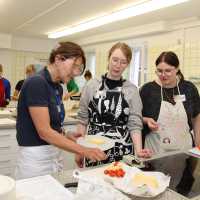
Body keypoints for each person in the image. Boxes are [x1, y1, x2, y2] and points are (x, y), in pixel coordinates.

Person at [15, 42, 106, 179]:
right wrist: (84, 150)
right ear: (58, 59)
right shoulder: (37, 83)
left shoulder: (57, 88)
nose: (76, 73)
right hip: (35, 160)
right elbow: (44, 131)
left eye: (79, 69)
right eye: (74, 66)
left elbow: (52, 124)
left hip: (53, 155)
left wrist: (66, 134)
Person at [76, 42, 151, 167]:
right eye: (115, 60)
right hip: (94, 150)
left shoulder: (131, 90)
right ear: (108, 58)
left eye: (123, 62)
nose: (118, 66)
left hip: (123, 150)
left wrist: (138, 151)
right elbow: (82, 119)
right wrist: (79, 151)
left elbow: (135, 124)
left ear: (127, 64)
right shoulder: (92, 85)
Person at [140, 51, 200, 189]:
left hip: (184, 152)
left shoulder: (189, 88)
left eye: (168, 70)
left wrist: (198, 141)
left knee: (181, 190)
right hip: (155, 153)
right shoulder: (148, 90)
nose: (163, 75)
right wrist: (146, 120)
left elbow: (196, 116)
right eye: (159, 71)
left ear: (177, 69)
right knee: (154, 189)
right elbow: (135, 118)